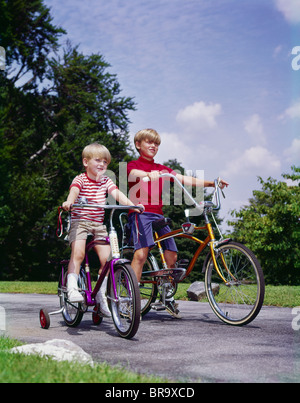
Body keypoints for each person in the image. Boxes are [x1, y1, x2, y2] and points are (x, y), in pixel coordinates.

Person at [127, 129, 229, 318]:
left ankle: (166, 295)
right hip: (140, 213)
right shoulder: (133, 165)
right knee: (141, 254)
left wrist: (212, 183)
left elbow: (185, 179)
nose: (153, 146)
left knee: (172, 255)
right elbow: (134, 173)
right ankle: (131, 301)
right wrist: (149, 175)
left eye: (156, 143)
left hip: (158, 215)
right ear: (138, 145)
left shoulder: (162, 168)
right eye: (149, 142)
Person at [62, 143, 143, 317]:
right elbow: (74, 192)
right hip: (80, 222)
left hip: (98, 225)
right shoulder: (80, 179)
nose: (102, 165)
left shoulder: (106, 181)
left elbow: (117, 194)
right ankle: (72, 288)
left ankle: (101, 294)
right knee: (78, 254)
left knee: (109, 260)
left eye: (105, 162)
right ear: (86, 162)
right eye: (97, 160)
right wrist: (69, 202)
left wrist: (132, 205)